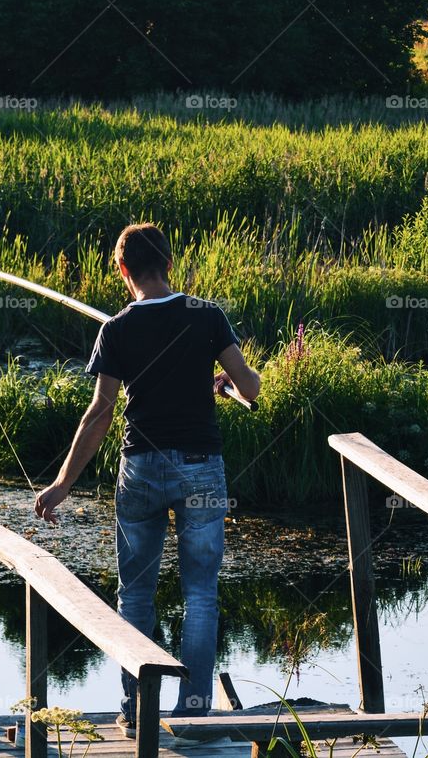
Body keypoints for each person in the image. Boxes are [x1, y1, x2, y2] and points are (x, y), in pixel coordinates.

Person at [34, 222, 261, 733]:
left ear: (122, 270)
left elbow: (99, 415)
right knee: (200, 592)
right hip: (201, 468)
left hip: (140, 469)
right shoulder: (208, 316)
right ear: (170, 264)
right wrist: (234, 382)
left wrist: (62, 485)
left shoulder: (115, 330)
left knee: (135, 595)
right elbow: (250, 388)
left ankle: (137, 709)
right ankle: (195, 713)